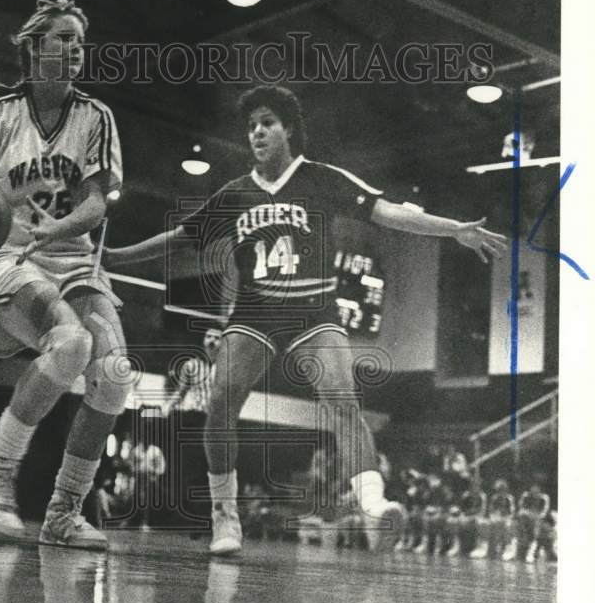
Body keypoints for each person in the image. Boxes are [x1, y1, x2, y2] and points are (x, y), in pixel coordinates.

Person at [106, 84, 506, 555]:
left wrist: (453, 229)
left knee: (342, 398)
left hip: (313, 308)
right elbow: (180, 238)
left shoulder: (321, 178)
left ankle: (375, 506)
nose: (257, 132)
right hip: (256, 311)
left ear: (289, 129)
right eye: (251, 126)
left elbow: (392, 214)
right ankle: (223, 516)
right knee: (221, 399)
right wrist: (115, 257)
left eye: (267, 123)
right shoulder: (234, 194)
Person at [0, 0, 128, 549]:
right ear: (35, 47)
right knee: (69, 345)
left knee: (116, 373)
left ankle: (63, 512)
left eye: (79, 40)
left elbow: (95, 203)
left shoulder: (95, 118)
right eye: (62, 37)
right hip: (10, 254)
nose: (74, 48)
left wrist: (54, 231)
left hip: (72, 254)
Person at [162, 327, 221, 525]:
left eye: (217, 338)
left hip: (213, 420)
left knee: (207, 468)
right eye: (209, 336)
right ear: (203, 340)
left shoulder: (226, 367)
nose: (212, 341)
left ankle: (205, 516)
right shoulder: (192, 366)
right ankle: (183, 514)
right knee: (186, 465)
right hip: (193, 418)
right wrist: (168, 406)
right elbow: (181, 390)